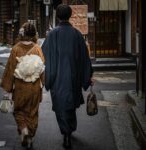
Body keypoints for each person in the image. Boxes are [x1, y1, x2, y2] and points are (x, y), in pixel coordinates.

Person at [42, 4, 94, 149]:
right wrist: (87, 76)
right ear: (70, 15)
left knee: (60, 107)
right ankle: (69, 132)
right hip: (73, 78)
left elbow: (44, 57)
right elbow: (84, 58)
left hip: (57, 78)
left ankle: (65, 133)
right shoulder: (76, 34)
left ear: (58, 16)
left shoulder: (52, 35)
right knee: (70, 107)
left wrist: (47, 78)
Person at [0, 22, 45, 149]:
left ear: (22, 34)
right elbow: (41, 68)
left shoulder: (15, 49)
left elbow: (10, 70)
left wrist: (8, 89)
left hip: (20, 87)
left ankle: (24, 129)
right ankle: (30, 134)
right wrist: (43, 83)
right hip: (34, 86)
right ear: (34, 35)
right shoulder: (37, 48)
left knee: (18, 111)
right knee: (33, 112)